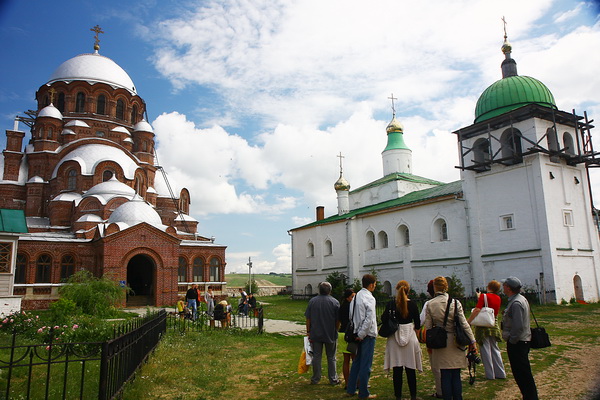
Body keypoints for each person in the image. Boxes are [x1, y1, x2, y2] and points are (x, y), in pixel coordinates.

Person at [424, 276, 476, 400]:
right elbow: (464, 324)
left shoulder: (430, 304)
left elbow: (428, 327)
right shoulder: (455, 302)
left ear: (435, 287)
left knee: (445, 375)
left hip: (440, 342)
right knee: (456, 375)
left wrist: (429, 344)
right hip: (455, 341)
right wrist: (472, 341)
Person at [382, 280, 422, 400]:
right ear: (408, 291)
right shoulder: (413, 305)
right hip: (410, 336)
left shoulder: (391, 304)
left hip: (394, 337)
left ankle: (398, 395)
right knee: (410, 369)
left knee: (397, 369)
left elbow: (384, 319)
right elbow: (418, 323)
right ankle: (413, 395)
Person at [502, 277, 538, 400]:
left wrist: (512, 340)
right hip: (521, 341)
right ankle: (528, 396)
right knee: (522, 372)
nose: (503, 287)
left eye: (504, 285)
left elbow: (518, 326)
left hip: (518, 342)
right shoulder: (519, 299)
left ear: (508, 288)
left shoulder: (516, 303)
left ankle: (530, 397)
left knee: (522, 373)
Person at [346, 274, 378, 399]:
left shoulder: (356, 296)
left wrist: (356, 332)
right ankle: (364, 392)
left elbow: (351, 315)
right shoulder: (369, 298)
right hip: (367, 335)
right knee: (366, 365)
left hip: (356, 333)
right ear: (371, 285)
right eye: (374, 285)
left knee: (357, 363)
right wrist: (362, 334)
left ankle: (351, 388)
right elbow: (369, 319)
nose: (374, 287)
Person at [467, 280, 506, 380]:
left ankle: (490, 374)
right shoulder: (498, 298)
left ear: (489, 287)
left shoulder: (485, 296)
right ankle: (500, 372)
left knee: (485, 349)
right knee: (495, 349)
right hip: (493, 324)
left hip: (483, 326)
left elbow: (478, 309)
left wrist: (469, 321)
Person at [305, 281, 341, 385]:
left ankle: (315, 378)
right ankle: (333, 379)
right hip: (330, 333)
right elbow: (338, 319)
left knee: (316, 356)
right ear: (330, 290)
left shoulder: (313, 301)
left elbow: (308, 318)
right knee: (331, 357)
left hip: (316, 333)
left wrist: (308, 331)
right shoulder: (335, 302)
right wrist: (336, 329)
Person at [420, 280, 442, 399]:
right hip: (449, 337)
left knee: (436, 365)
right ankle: (451, 389)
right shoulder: (453, 302)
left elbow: (421, 320)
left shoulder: (429, 304)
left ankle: (440, 391)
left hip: (434, 338)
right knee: (448, 366)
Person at [339, 288, 355, 389]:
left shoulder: (341, 307)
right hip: (350, 334)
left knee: (346, 360)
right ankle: (355, 382)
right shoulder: (352, 307)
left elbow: (339, 320)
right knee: (355, 360)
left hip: (342, 333)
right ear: (348, 298)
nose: (354, 298)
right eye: (352, 297)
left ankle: (347, 382)